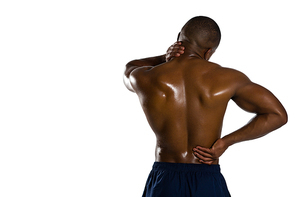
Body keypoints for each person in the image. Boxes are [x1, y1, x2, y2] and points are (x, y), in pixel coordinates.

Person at [123, 16, 287, 197]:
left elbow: (128, 70)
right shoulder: (228, 79)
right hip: (206, 178)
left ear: (179, 39)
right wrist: (226, 142)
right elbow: (277, 114)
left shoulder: (146, 77)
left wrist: (164, 57)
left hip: (165, 180)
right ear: (209, 51)